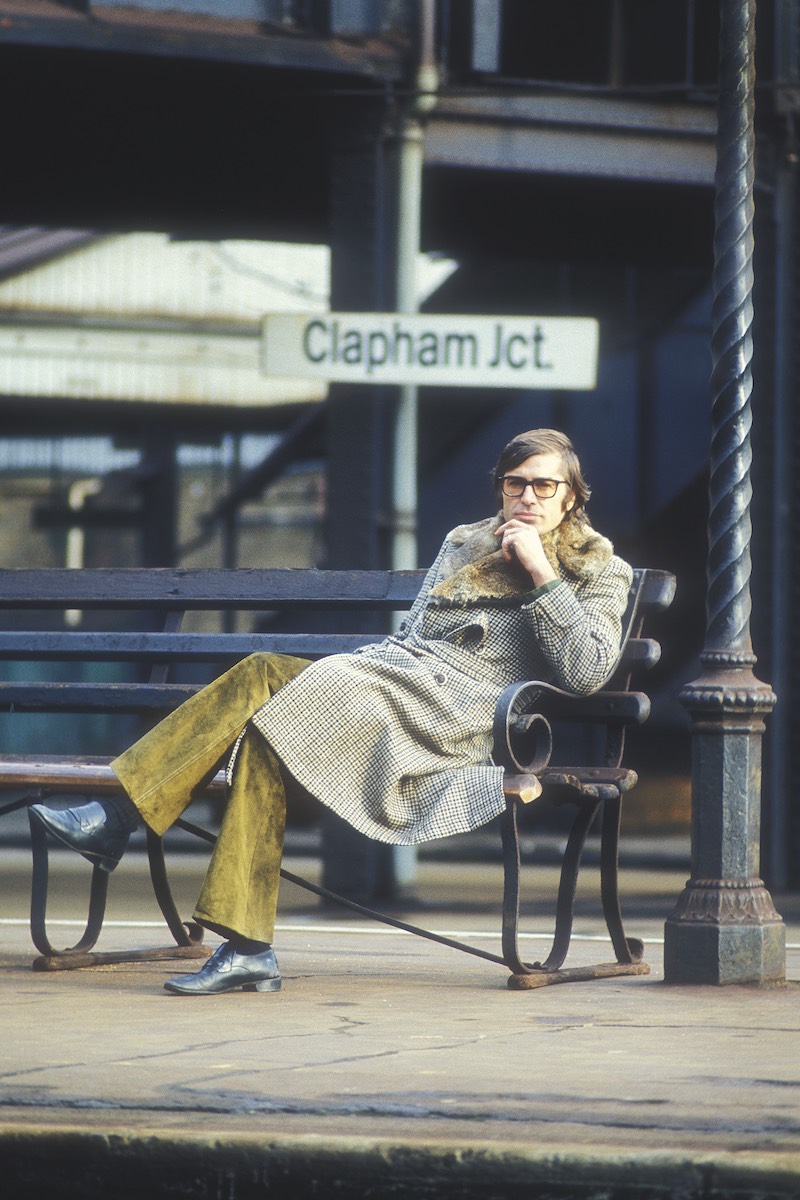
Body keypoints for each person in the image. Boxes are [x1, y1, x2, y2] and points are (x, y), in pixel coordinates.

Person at [30, 428, 632, 996]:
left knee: (272, 714)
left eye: (543, 486)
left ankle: (131, 832)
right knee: (263, 673)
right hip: (391, 683)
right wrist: (363, 668)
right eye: (513, 483)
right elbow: (412, 636)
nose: (526, 496)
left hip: (457, 717)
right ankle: (234, 937)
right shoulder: (463, 542)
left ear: (572, 497)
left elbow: (587, 670)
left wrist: (542, 574)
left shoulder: (599, 570)